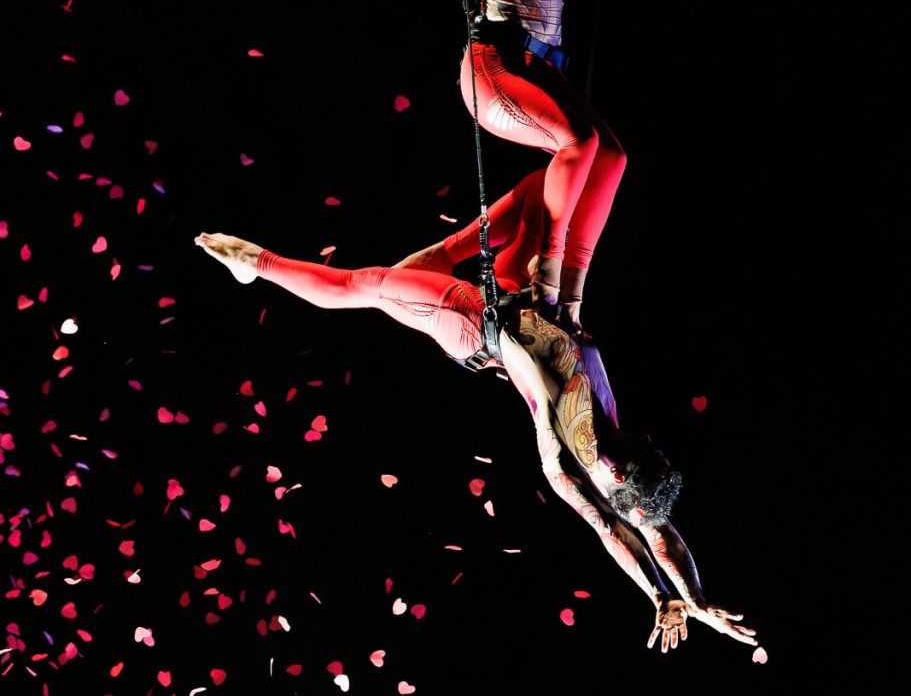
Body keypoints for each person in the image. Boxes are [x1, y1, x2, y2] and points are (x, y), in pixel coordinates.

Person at [194, 220, 759, 654]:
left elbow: (608, 527)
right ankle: (418, 270)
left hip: (474, 322)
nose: (640, 437)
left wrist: (659, 596)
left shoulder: (564, 457)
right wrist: (688, 598)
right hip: (517, 301)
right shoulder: (621, 464)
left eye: (638, 450)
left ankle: (256, 263)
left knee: (363, 284)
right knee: (532, 203)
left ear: (616, 474)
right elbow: (657, 534)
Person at [430, 0, 635, 333]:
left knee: (611, 156)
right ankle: (545, 273)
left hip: (541, 72)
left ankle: (572, 297)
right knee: (578, 141)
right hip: (494, 68)